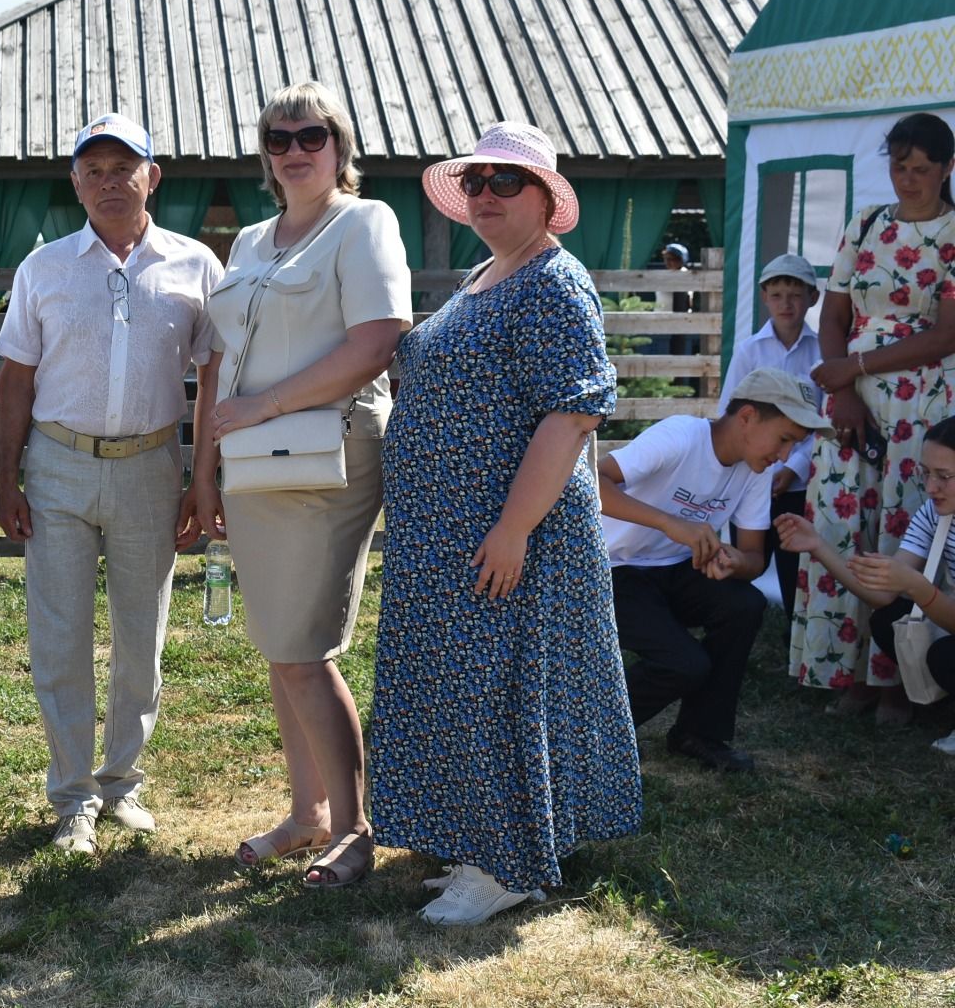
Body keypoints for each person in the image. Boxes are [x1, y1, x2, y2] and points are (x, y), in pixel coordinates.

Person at [369, 121, 640, 925]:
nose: (486, 194)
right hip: (447, 534)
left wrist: (515, 527)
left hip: (510, 534)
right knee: (461, 689)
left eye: (506, 182)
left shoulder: (555, 282)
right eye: (477, 180)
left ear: (547, 198)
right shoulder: (484, 274)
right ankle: (481, 839)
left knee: (496, 689)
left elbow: (571, 414)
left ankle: (507, 862)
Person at [190, 81, 409, 889]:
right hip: (252, 462)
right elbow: (221, 361)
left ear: (339, 148)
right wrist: (206, 467)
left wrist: (265, 407)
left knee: (305, 647)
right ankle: (307, 811)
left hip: (332, 452)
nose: (294, 150)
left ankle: (354, 828)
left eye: (310, 135)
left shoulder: (365, 222)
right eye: (278, 139)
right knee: (280, 647)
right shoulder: (248, 239)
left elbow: (379, 340)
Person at [0, 113, 218, 854]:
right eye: (93, 170)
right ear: (75, 183)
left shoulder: (194, 266)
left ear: (153, 176)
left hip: (152, 465)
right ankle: (71, 797)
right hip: (57, 463)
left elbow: (214, 378)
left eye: (125, 167)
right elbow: (16, 378)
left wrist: (200, 476)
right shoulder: (45, 268)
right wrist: (7, 476)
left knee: (140, 635)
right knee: (58, 633)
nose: (109, 182)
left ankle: (121, 782)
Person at [790, 112, 955, 725]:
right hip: (851, 396)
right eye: (898, 166)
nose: (907, 180)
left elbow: (944, 336)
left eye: (920, 169)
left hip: (922, 402)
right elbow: (833, 314)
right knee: (843, 522)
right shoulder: (864, 224)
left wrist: (853, 366)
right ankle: (845, 673)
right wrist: (846, 388)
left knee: (900, 529)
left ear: (946, 169)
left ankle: (895, 680)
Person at [602, 368, 831, 773]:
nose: (784, 456)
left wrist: (734, 562)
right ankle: (594, 736)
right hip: (612, 568)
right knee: (685, 664)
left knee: (745, 604)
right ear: (747, 417)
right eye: (784, 439)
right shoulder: (681, 436)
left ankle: (699, 733)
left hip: (674, 568)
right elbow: (591, 481)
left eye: (793, 445)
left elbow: (753, 559)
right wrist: (670, 523)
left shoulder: (753, 469)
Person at [778, 415, 955, 756]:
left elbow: (913, 587)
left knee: (945, 653)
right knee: (889, 620)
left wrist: (918, 587)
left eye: (944, 476)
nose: (930, 487)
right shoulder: (935, 513)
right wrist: (817, 546)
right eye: (926, 472)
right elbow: (882, 594)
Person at [720, 254, 824, 617]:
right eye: (777, 294)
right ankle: (735, 623)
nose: (786, 303)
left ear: (813, 297)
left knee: (797, 567)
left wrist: (794, 467)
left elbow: (822, 423)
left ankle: (794, 642)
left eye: (795, 295)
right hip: (754, 478)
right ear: (764, 296)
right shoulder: (750, 351)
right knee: (748, 559)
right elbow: (730, 411)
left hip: (800, 484)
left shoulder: (823, 351)